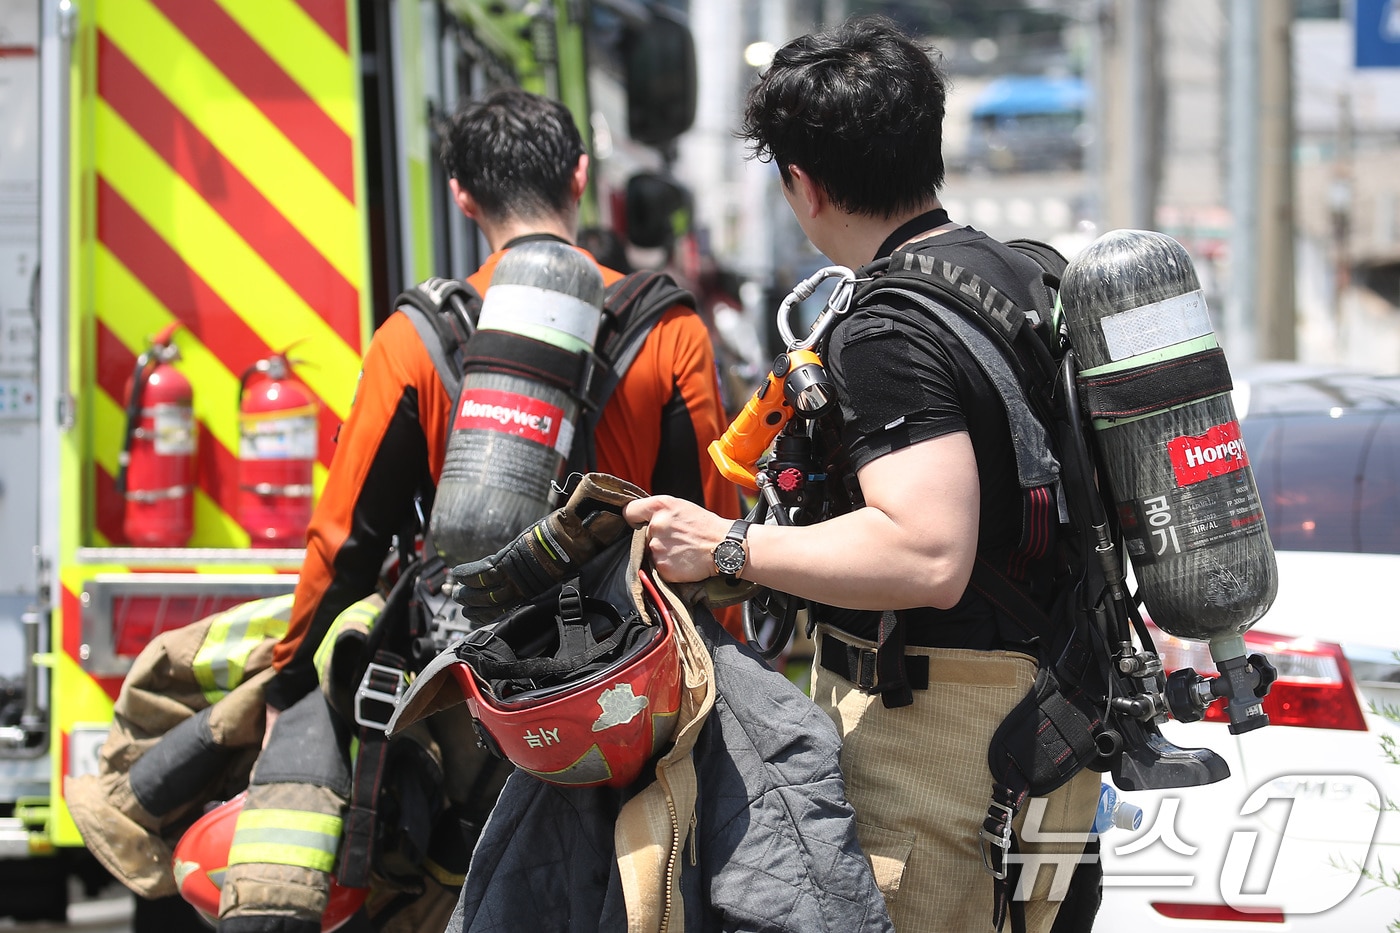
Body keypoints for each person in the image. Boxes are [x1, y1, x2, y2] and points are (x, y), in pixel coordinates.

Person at [221, 88, 740, 933]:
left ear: (462, 194)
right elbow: (707, 524)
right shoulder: (668, 327)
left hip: (472, 690)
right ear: (579, 176)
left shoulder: (416, 336)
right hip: (624, 697)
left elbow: (347, 537)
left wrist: (290, 678)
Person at [623, 17, 1100, 933]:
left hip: (945, 751)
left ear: (802, 184)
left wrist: (726, 542)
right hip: (1042, 725)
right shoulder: (1019, 275)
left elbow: (926, 552)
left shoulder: (887, 328)